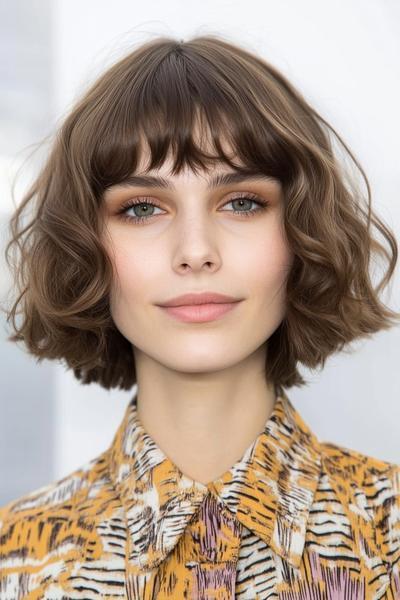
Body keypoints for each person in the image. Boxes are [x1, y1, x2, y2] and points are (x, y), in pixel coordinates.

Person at [0, 34, 399, 599]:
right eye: (141, 208)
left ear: (300, 233)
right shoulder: (16, 561)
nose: (195, 250)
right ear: (85, 244)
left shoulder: (391, 538)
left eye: (241, 203)